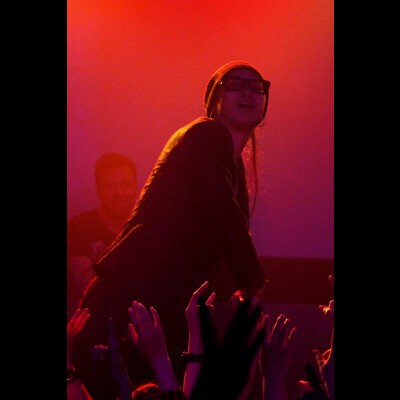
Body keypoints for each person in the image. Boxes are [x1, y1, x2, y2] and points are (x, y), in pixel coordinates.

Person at [72, 61, 270, 400]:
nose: (248, 92)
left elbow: (218, 239)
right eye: (235, 84)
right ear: (213, 100)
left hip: (154, 305)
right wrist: (252, 281)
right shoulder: (207, 134)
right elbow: (223, 211)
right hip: (132, 301)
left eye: (256, 87)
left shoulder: (231, 163)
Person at [67, 152, 138, 319]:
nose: (119, 193)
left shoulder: (147, 226)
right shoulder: (79, 228)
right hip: (91, 323)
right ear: (98, 189)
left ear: (136, 186)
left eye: (126, 184)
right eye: (110, 186)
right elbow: (89, 290)